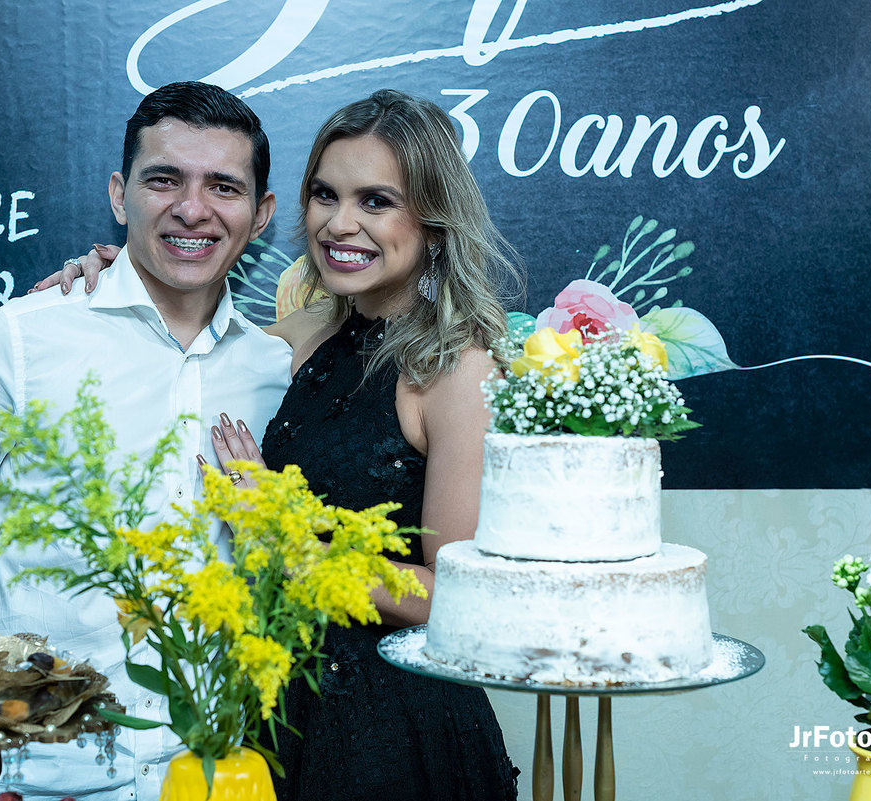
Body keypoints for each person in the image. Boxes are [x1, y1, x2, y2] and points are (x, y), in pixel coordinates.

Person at [38, 88, 522, 801]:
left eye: (376, 201)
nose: (339, 223)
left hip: (395, 730)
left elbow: (462, 595)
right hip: (278, 717)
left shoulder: (456, 368)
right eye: (325, 195)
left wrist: (286, 541)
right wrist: (117, 274)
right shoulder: (300, 337)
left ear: (433, 219)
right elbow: (180, 333)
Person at [0, 81, 292, 801]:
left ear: (261, 214)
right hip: (27, 774)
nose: (193, 208)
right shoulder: (15, 341)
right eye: (164, 180)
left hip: (211, 775)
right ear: (120, 196)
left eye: (223, 186)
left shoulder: (276, 372)